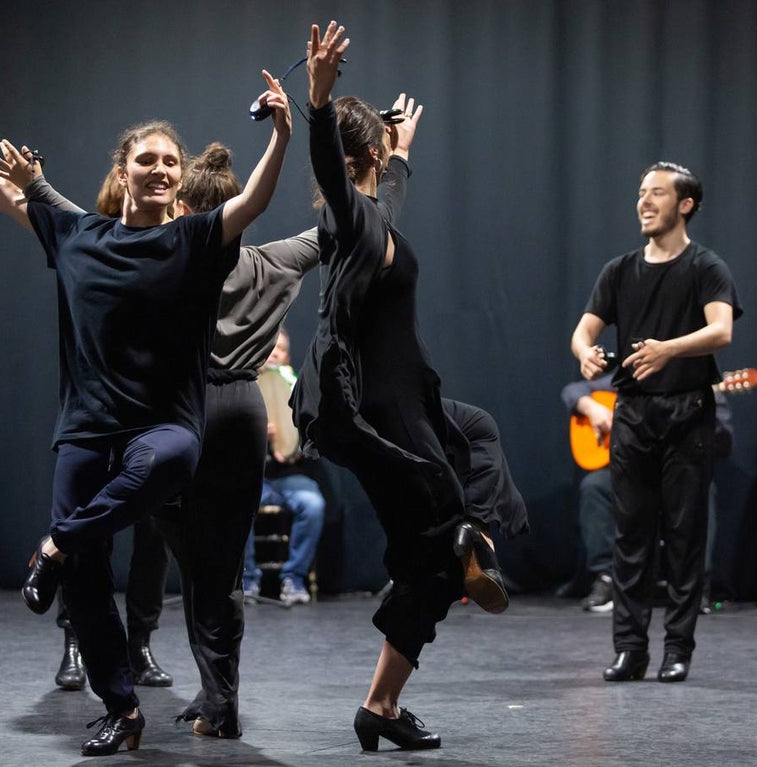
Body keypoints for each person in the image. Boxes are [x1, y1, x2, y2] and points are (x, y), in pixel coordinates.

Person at [0, 91, 420, 736]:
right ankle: (220, 700)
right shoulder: (273, 260)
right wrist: (386, 165)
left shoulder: (172, 251)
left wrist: (30, 183)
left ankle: (113, 643)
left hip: (175, 406)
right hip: (240, 411)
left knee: (154, 550)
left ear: (187, 207)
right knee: (219, 569)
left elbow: (64, 223)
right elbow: (352, 227)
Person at [0, 71, 291, 756]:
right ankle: (122, 708)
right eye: (147, 159)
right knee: (85, 580)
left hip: (164, 426)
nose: (161, 169)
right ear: (124, 171)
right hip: (86, 429)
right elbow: (5, 192)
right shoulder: (79, 235)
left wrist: (284, 133)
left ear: (179, 176)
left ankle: (53, 544)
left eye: (170, 161)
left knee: (166, 466)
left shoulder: (196, 239)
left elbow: (253, 200)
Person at [290, 22, 527, 752]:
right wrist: (319, 101)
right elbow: (337, 171)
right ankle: (464, 544)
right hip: (377, 412)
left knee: (476, 432)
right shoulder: (348, 218)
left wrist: (402, 158)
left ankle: (383, 702)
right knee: (434, 554)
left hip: (401, 401)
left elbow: (386, 197)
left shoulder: (374, 218)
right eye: (381, 155)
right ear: (366, 154)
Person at [570, 161, 741, 684]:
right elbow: (584, 330)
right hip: (634, 414)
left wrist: (668, 349)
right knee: (631, 536)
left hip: (688, 413)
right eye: (642, 192)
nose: (644, 201)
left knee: (685, 537)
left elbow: (721, 331)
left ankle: (678, 649)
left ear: (685, 205)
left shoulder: (706, 266)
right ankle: (630, 649)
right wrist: (585, 353)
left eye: (657, 193)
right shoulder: (619, 270)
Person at [50, 171, 173, 693]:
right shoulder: (87, 249)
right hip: (97, 418)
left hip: (152, 418)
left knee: (153, 538)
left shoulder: (171, 251)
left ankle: (140, 641)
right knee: (84, 532)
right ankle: (75, 640)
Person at [560, 375, 734, 612]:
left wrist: (700, 416)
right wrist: (592, 408)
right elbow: (573, 390)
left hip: (677, 472)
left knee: (700, 487)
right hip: (632, 472)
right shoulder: (633, 380)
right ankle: (607, 576)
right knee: (595, 486)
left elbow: (724, 444)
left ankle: (694, 585)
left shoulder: (705, 385)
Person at [243, 328, 326, 605]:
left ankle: (294, 578)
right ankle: (247, 579)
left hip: (291, 478)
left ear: (287, 356)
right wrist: (257, 434)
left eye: (279, 350)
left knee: (312, 505)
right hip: (255, 479)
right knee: (234, 503)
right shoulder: (245, 389)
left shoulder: (297, 389)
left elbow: (314, 439)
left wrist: (295, 448)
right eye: (269, 349)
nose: (274, 355)